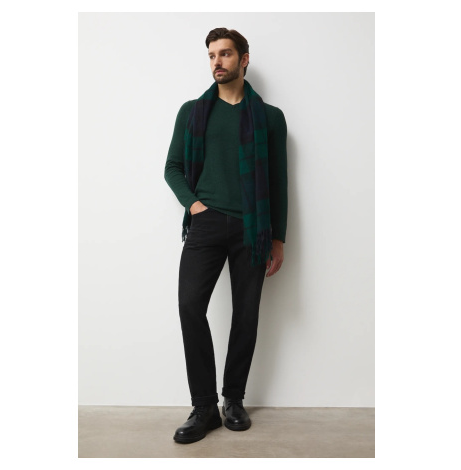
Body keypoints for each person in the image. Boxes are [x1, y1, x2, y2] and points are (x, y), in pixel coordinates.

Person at [164, 27, 288, 444]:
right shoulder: (192, 112)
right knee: (189, 306)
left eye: (225, 54)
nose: (217, 61)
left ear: (244, 59)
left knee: (246, 314)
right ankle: (204, 407)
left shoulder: (270, 117)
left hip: (254, 227)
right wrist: (194, 206)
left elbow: (278, 181)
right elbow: (173, 168)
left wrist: (278, 237)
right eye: (212, 55)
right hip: (207, 223)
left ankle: (233, 399)